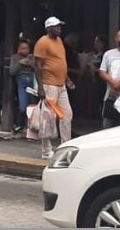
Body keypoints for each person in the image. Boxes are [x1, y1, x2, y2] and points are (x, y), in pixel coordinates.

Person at [34, 17, 75, 160]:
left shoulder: (59, 41)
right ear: (48, 28)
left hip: (61, 85)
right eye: (56, 26)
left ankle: (65, 146)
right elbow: (38, 66)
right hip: (49, 84)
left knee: (66, 114)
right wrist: (40, 87)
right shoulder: (42, 42)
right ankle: (46, 151)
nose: (59, 28)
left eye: (59, 26)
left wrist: (67, 79)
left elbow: (60, 62)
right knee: (48, 118)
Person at [8, 38, 37, 133]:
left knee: (33, 106)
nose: (25, 50)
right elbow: (12, 72)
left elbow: (38, 70)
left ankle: (31, 127)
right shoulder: (15, 57)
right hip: (22, 81)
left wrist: (31, 65)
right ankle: (19, 124)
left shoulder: (32, 57)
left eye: (27, 48)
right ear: (19, 49)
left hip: (32, 81)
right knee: (23, 106)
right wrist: (20, 64)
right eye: (23, 48)